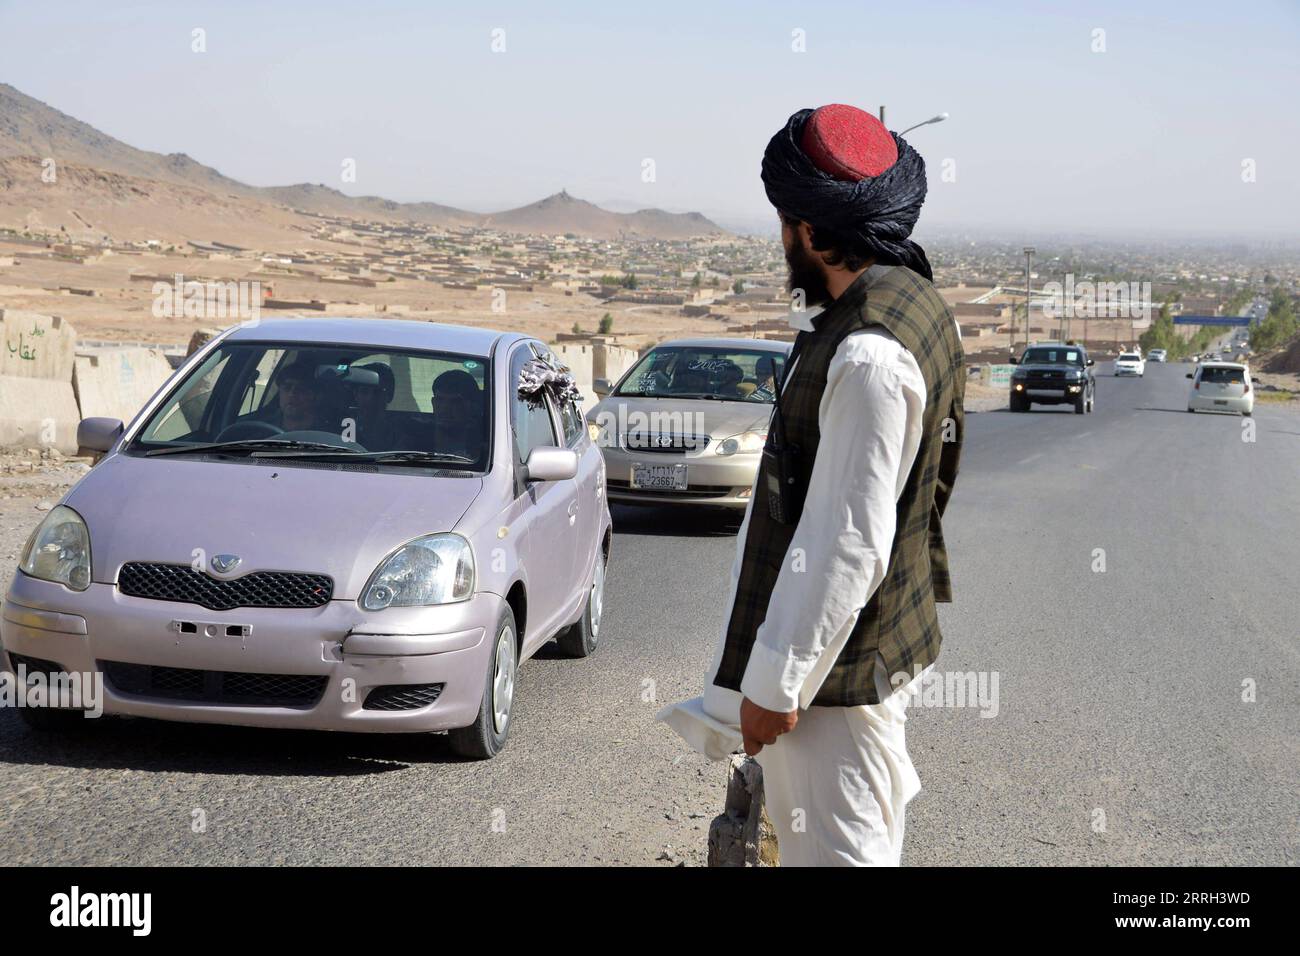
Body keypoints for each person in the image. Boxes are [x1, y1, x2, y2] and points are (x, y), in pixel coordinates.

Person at [658, 103, 965, 866]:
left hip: (836, 685)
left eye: (785, 222)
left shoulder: (866, 356)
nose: (782, 239)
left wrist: (776, 684)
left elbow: (845, 543)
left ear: (808, 228)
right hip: (865, 650)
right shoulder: (909, 299)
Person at [430, 369, 487, 462]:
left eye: (455, 402)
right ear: (433, 403)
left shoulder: (487, 450)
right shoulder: (414, 441)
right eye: (440, 400)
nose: (444, 409)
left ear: (472, 406)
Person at [347, 362, 399, 450]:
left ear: (389, 395)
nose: (371, 398)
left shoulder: (399, 435)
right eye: (364, 391)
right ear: (355, 395)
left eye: (378, 392)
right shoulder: (343, 428)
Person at [273, 359, 333, 433]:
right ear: (279, 392)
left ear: (314, 396)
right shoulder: (263, 424)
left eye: (300, 389)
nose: (291, 394)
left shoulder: (329, 432)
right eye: (286, 388)